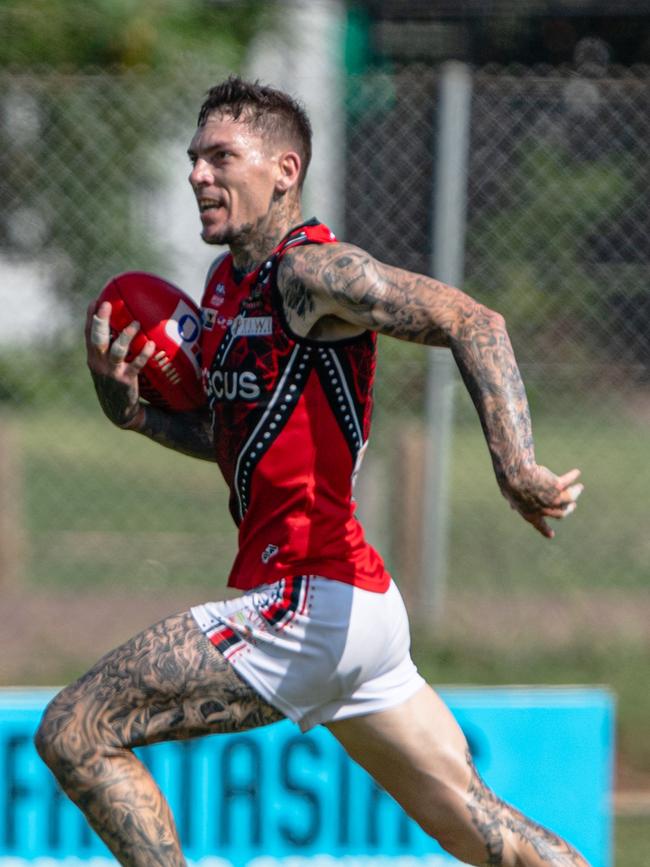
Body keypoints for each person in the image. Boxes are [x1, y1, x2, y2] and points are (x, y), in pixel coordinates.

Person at [35, 75, 588, 867]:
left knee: (76, 731)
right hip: (353, 605)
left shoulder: (312, 272)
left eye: (221, 156)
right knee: (480, 829)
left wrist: (516, 466)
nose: (198, 174)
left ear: (285, 170)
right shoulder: (226, 287)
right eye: (194, 158)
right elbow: (237, 441)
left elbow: (474, 320)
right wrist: (134, 414)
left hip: (311, 599)